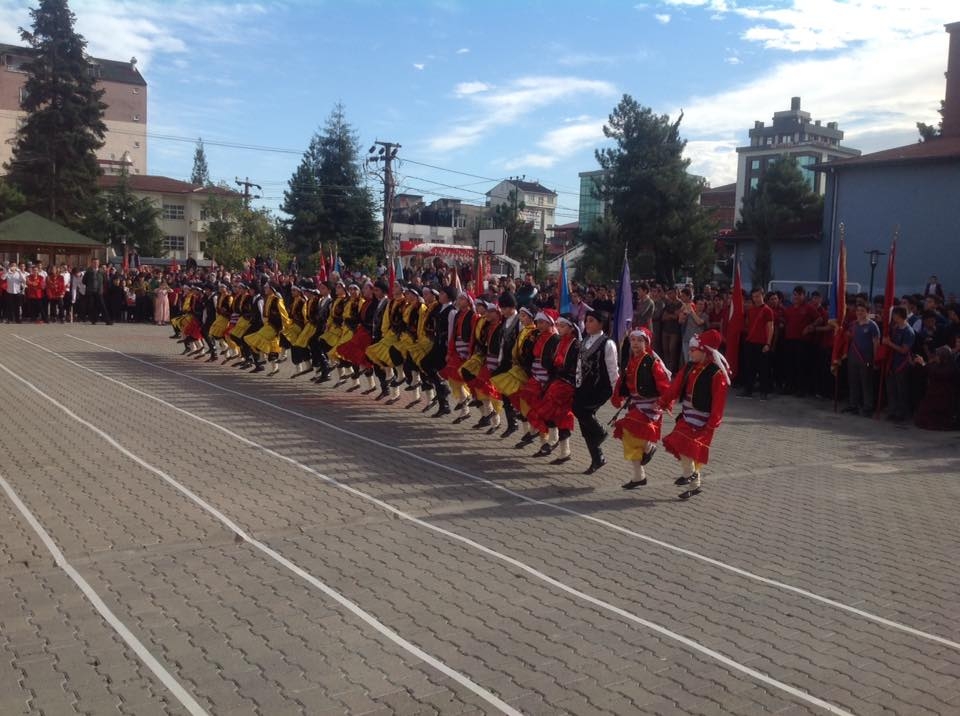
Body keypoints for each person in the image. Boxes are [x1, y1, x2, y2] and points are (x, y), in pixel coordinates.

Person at [659, 329, 730, 500]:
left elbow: (718, 404)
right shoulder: (689, 367)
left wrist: (712, 425)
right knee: (681, 444)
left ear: (705, 351)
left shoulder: (716, 374)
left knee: (687, 447)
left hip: (703, 420)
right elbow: (675, 387)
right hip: (687, 415)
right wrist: (662, 402)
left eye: (693, 349)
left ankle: (691, 478)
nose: (689, 352)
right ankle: (692, 479)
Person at [613, 327, 672, 488]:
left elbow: (665, 386)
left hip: (650, 407)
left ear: (647, 343)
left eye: (640, 340)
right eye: (633, 340)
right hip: (635, 405)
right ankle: (639, 476)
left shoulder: (652, 362)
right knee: (629, 438)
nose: (636, 344)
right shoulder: (631, 361)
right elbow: (623, 383)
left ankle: (649, 447)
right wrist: (617, 396)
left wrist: (663, 403)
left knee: (627, 427)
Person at [842, 302, 880, 417]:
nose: (859, 313)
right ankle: (853, 405)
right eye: (858, 310)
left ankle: (868, 407)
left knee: (866, 383)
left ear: (867, 312)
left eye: (862, 310)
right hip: (853, 356)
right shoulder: (853, 324)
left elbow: (876, 343)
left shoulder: (872, 325)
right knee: (853, 381)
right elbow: (847, 337)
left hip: (866, 358)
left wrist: (875, 359)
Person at [882, 306, 915, 422]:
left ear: (899, 316)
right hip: (891, 363)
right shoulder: (895, 328)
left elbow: (904, 350)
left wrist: (889, 343)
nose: (893, 317)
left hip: (902, 365)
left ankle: (902, 414)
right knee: (891, 389)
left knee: (901, 391)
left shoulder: (908, 332)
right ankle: (892, 411)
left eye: (894, 315)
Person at [739, 287, 774, 399]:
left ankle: (764, 392)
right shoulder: (751, 310)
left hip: (762, 344)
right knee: (749, 368)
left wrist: (768, 344)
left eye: (758, 296)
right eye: (754, 297)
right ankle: (748, 390)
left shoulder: (767, 310)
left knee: (763, 369)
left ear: (763, 296)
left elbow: (770, 327)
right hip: (750, 342)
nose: (756, 299)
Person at [83, 258, 112, 325]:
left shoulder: (102, 272)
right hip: (90, 291)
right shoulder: (88, 272)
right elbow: (84, 281)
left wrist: (100, 287)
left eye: (97, 263)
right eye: (94, 262)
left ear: (98, 263)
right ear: (92, 263)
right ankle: (93, 320)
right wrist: (90, 285)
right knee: (91, 306)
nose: (95, 264)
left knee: (102, 305)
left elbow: (105, 281)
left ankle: (107, 320)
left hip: (99, 292)